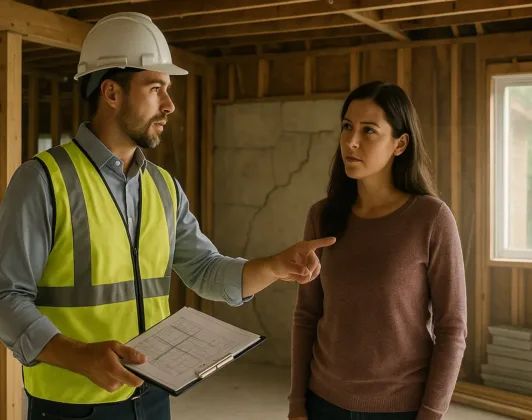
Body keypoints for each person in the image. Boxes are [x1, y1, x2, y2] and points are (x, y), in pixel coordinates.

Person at [0, 12, 335, 420]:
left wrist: (275, 267)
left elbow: (206, 271)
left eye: (168, 90)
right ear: (111, 92)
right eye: (156, 88)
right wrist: (79, 356)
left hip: (153, 400)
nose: (170, 105)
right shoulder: (42, 181)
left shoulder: (163, 187)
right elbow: (6, 298)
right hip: (72, 407)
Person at [288, 81, 467, 420]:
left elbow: (452, 328)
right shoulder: (322, 216)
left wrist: (431, 413)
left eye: (369, 130)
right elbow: (307, 315)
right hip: (323, 402)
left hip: (401, 409)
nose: (351, 141)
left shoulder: (430, 218)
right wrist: (297, 402)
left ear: (400, 144)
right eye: (346, 127)